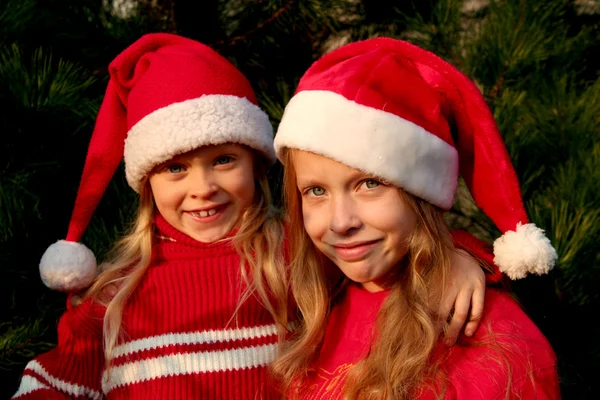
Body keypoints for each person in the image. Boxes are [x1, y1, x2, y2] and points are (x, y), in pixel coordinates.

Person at [13, 33, 488, 399]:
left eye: (224, 160)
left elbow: (387, 257)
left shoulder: (294, 254)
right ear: (146, 184)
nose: (203, 188)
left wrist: (457, 254)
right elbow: (55, 385)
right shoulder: (114, 298)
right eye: (175, 168)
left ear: (258, 164)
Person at [272, 37, 560, 399]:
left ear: (421, 194)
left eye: (369, 184)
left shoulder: (492, 341)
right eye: (316, 191)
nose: (340, 222)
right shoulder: (316, 303)